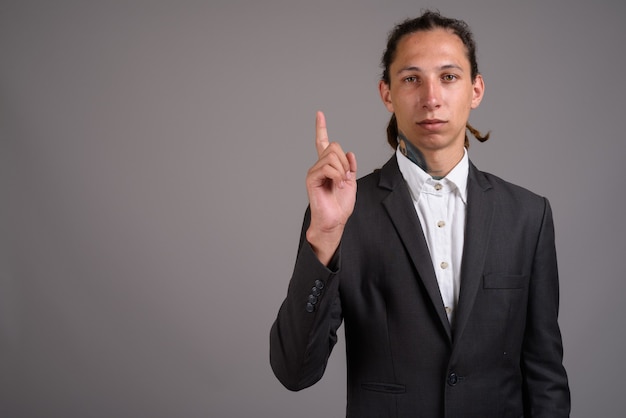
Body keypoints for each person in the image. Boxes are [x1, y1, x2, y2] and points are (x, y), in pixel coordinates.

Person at [270, 10, 570, 417]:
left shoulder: (527, 215)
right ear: (387, 93)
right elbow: (294, 372)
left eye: (449, 77)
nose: (431, 97)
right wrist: (324, 236)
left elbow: (545, 375)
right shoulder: (344, 211)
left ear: (476, 89)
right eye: (412, 79)